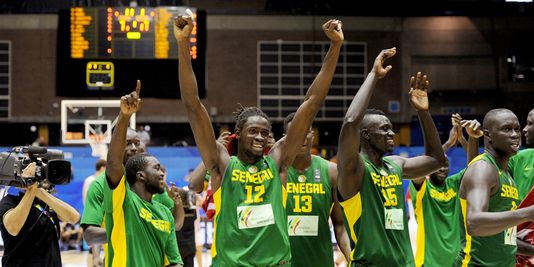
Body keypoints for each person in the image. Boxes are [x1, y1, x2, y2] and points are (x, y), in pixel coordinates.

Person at [175, 12, 343, 266]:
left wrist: (335, 46)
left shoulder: (277, 162)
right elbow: (193, 106)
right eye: (253, 131)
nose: (260, 137)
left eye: (265, 133)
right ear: (238, 133)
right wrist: (183, 45)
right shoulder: (222, 164)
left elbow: (311, 103)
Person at [336, 47, 448, 266]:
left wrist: (423, 112)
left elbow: (437, 160)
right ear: (366, 135)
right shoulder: (355, 169)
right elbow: (350, 122)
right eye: (385, 129)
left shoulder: (395, 165)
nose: (391, 133)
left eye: (391, 128)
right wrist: (374, 75)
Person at [102, 81, 183, 267]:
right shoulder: (123, 200)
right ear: (140, 175)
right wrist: (124, 116)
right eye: (156, 168)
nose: (162, 173)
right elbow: (114, 164)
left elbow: (174, 261)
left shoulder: (165, 213)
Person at [453, 108, 534, 266]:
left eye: (517, 129)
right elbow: (474, 223)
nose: (515, 134)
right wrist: (528, 213)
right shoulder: (483, 168)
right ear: (488, 134)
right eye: (506, 129)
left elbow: (505, 238)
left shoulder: (507, 175)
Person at [409, 114, 482, 267]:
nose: (442, 168)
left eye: (445, 165)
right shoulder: (422, 187)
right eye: (438, 165)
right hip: (428, 262)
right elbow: (420, 167)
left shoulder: (454, 183)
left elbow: (476, 166)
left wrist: (463, 139)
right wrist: (448, 143)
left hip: (456, 261)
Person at [282, 112, 351, 266]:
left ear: (312, 135)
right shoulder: (275, 171)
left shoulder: (332, 172)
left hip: (321, 261)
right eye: (295, 132)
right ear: (285, 137)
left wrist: (351, 257)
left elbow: (339, 224)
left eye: (305, 131)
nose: (301, 136)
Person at [0, 163, 80, 267]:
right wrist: (31, 190)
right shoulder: (10, 201)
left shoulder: (49, 203)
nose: (42, 178)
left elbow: (74, 217)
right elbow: (13, 227)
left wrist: (40, 192)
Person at [509, 107, 534, 200]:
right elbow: (477, 168)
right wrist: (473, 138)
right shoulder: (520, 157)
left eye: (530, 123)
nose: (524, 129)